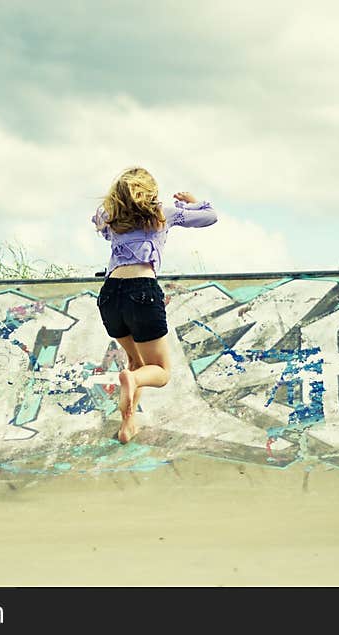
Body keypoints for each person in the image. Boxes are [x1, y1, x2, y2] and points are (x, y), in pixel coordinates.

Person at [91, 166, 218, 443]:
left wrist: (115, 206)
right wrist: (191, 202)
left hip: (110, 294)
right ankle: (133, 380)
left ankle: (127, 424)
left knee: (135, 362)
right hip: (142, 291)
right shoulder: (161, 213)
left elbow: (97, 220)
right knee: (160, 372)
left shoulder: (110, 216)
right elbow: (209, 217)